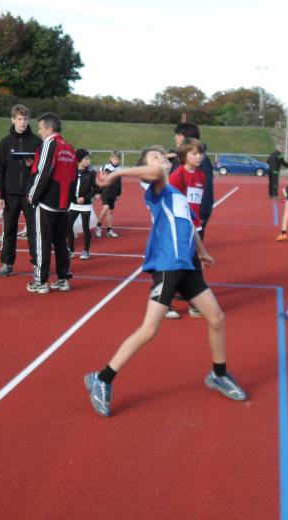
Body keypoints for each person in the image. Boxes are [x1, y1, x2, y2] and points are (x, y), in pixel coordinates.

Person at [83, 145, 247, 418]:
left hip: (185, 264)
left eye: (162, 156)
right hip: (167, 264)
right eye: (154, 157)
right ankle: (102, 378)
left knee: (217, 317)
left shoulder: (176, 194)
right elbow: (156, 172)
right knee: (149, 330)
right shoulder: (157, 188)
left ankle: (218, 374)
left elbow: (189, 225)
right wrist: (117, 173)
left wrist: (202, 252)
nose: (161, 159)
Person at [26, 112, 77, 294]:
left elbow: (43, 172)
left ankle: (41, 281)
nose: (39, 132)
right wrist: (69, 200)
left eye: (40, 128)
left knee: (43, 242)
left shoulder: (50, 144)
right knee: (61, 243)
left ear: (49, 128)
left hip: (47, 202)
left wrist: (32, 195)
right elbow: (73, 176)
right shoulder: (69, 147)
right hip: (63, 204)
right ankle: (63, 279)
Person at [0, 104, 43, 277]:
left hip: (31, 194)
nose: (23, 122)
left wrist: (32, 165)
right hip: (10, 194)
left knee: (34, 231)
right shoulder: (5, 142)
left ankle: (37, 264)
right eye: (19, 119)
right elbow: (0, 170)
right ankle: (7, 263)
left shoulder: (37, 142)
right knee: (9, 230)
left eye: (25, 119)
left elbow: (43, 168)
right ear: (13, 120)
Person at [168, 137, 207, 318]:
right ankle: (165, 303)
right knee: (178, 267)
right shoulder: (177, 176)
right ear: (184, 155)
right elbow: (169, 202)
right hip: (179, 229)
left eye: (200, 153)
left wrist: (198, 221)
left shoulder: (201, 175)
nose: (199, 157)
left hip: (195, 228)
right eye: (194, 153)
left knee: (195, 267)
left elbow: (195, 203)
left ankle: (195, 304)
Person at [169, 122, 215, 241]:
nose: (175, 137)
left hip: (195, 216)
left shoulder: (201, 162)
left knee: (192, 248)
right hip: (180, 215)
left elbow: (206, 189)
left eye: (179, 135)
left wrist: (203, 214)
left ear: (187, 137)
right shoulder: (180, 161)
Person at [68, 149, 100, 260]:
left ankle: (86, 251)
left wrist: (85, 198)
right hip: (73, 204)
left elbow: (96, 189)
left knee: (85, 227)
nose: (88, 161)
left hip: (85, 205)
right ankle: (71, 250)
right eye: (86, 159)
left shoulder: (91, 172)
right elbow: (69, 187)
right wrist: (73, 199)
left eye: (88, 159)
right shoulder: (71, 171)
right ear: (79, 160)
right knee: (68, 225)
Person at [95, 151, 122, 238]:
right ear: (111, 158)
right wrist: (98, 192)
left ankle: (109, 230)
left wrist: (118, 194)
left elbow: (119, 183)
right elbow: (102, 179)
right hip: (105, 191)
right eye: (114, 159)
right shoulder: (107, 167)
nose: (116, 161)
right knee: (105, 207)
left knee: (110, 212)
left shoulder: (119, 169)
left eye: (117, 159)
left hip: (113, 193)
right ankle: (98, 226)